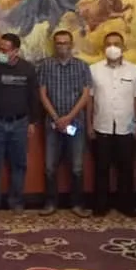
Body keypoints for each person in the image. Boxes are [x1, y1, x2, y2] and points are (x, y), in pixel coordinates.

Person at [87, 32, 136, 217]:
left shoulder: (135, 70)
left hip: (127, 127)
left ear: (123, 47)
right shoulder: (93, 70)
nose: (112, 47)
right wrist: (89, 124)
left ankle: (126, 205)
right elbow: (89, 99)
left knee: (126, 168)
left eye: (116, 44)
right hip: (101, 126)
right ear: (103, 48)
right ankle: (101, 205)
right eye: (108, 44)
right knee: (101, 168)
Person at [0, 33, 39, 213]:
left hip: (20, 122)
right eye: (0, 49)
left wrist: (33, 121)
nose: (1, 52)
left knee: (19, 164)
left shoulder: (28, 69)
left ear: (16, 51)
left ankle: (16, 201)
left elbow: (33, 96)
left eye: (5, 50)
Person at [38, 30, 92, 217]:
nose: (62, 46)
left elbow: (85, 95)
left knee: (77, 167)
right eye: (59, 43)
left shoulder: (82, 66)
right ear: (54, 45)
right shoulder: (45, 65)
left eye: (65, 43)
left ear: (72, 44)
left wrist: (68, 117)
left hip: (75, 124)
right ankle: (50, 203)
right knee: (49, 167)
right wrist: (56, 118)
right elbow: (42, 94)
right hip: (52, 125)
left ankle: (77, 204)